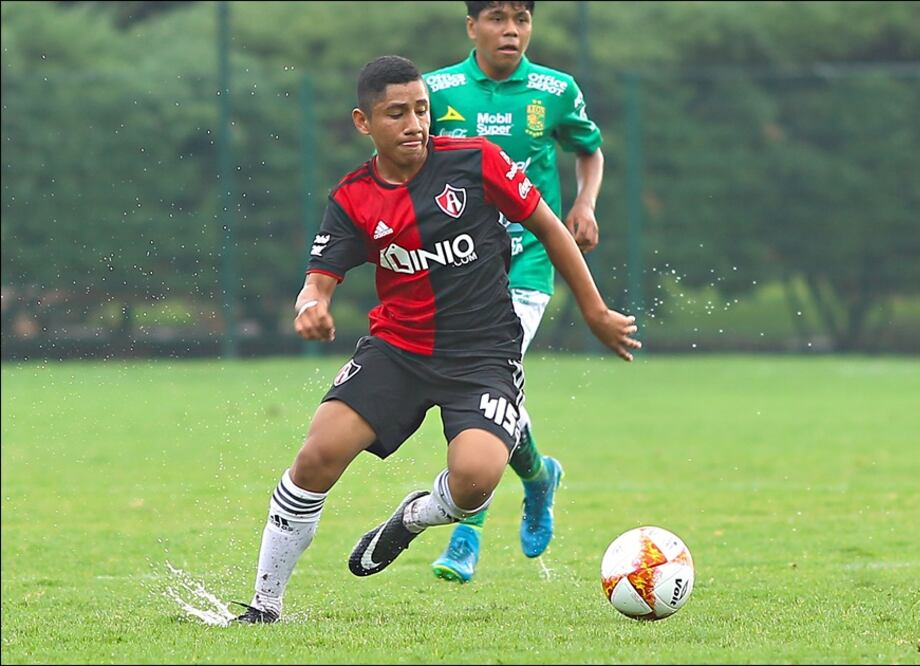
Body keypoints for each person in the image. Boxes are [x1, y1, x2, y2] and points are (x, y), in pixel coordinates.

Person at [233, 54, 638, 624]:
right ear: (363, 122)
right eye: (396, 113)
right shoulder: (352, 197)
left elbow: (548, 227)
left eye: (421, 110)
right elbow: (318, 281)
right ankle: (264, 606)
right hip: (397, 350)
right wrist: (310, 308)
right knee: (316, 455)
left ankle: (413, 518)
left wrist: (594, 311)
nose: (414, 124)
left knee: (474, 481)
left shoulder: (476, 162)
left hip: (484, 355)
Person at [423, 0, 605, 584]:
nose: (511, 30)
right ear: (471, 25)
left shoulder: (555, 88)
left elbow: (589, 148)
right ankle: (537, 475)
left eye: (522, 18)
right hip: (457, 270)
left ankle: (465, 531)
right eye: (497, 18)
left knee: (488, 384)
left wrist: (583, 202)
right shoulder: (436, 89)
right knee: (487, 388)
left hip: (526, 265)